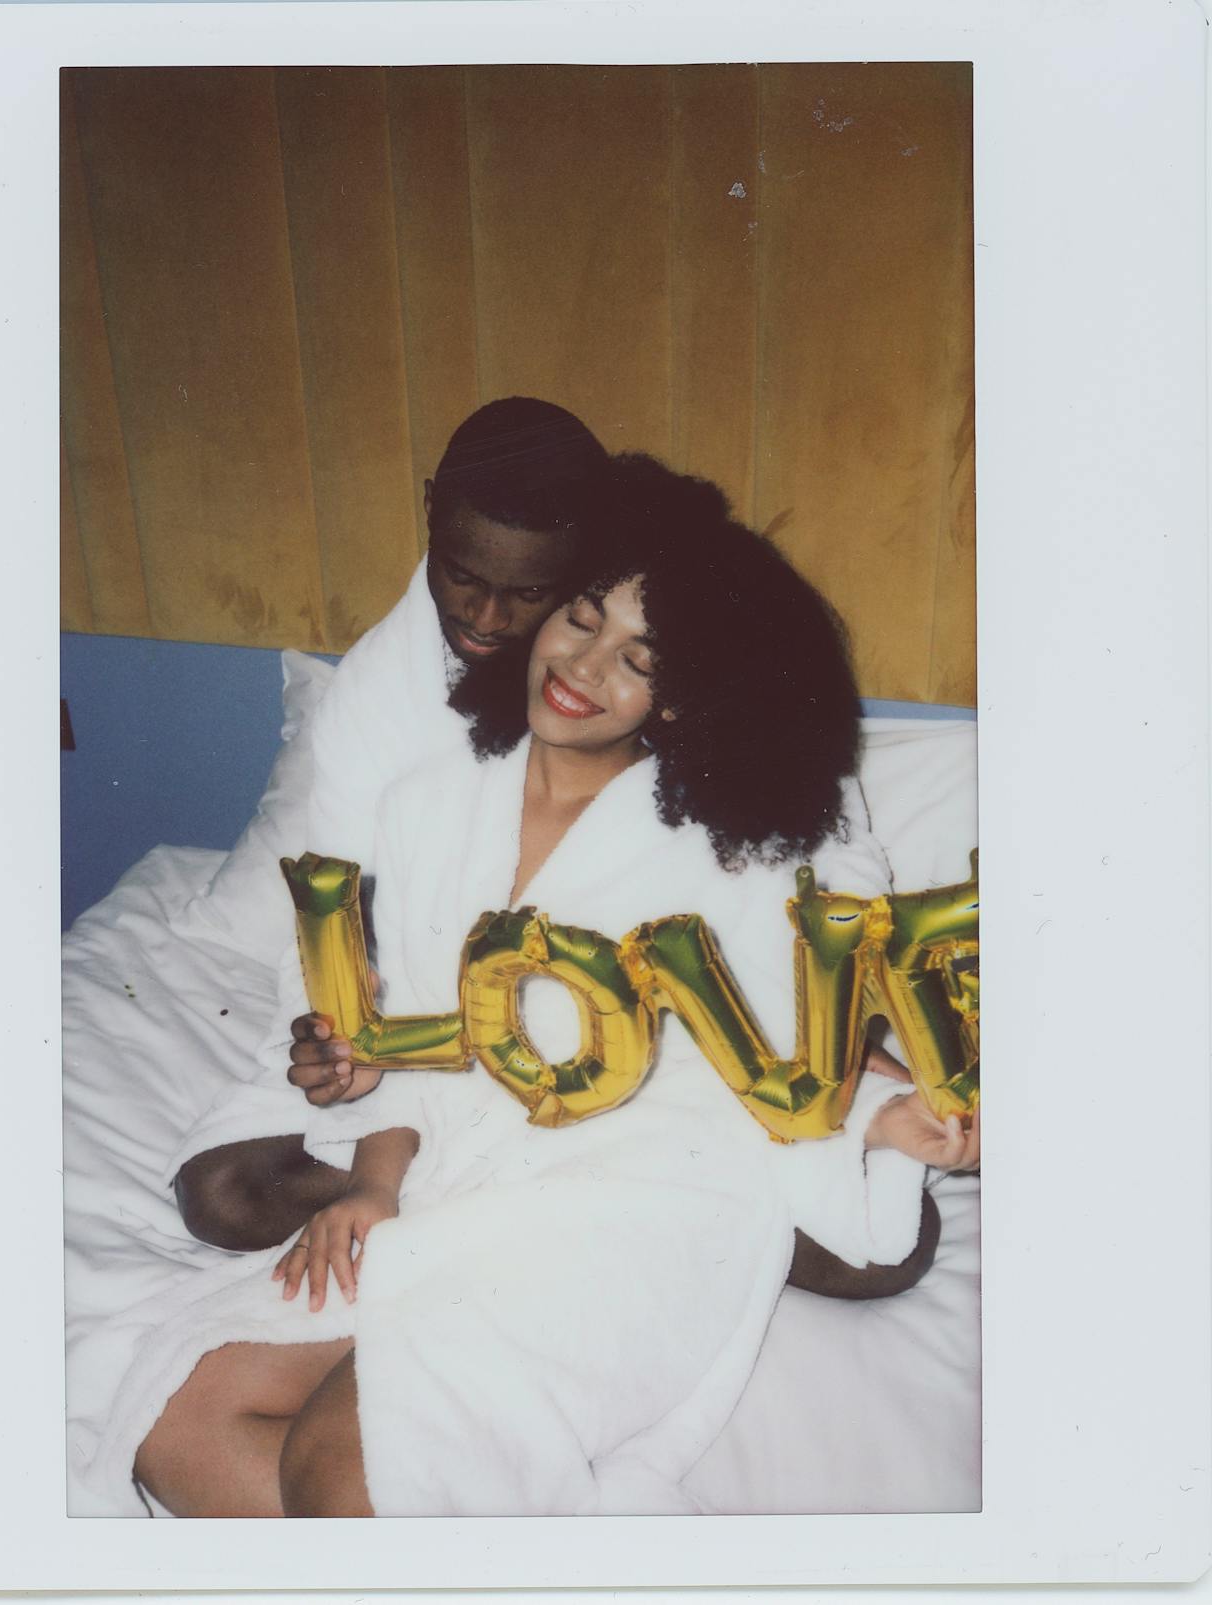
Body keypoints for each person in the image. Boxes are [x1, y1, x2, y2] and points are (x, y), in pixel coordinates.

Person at [98, 454, 978, 1518]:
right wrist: (374, 1185)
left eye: (637, 659)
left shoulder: (726, 853)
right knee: (177, 1422)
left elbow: (788, 1031)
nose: (585, 667)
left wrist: (885, 1115)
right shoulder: (430, 802)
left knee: (351, 1454)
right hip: (467, 1168)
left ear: (676, 701)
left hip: (647, 1193)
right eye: (581, 619)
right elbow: (410, 1032)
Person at [172, 408, 939, 1298]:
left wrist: (849, 1029)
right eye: (462, 577)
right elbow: (336, 919)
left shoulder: (643, 676)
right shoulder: (382, 704)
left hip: (612, 1057)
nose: (487, 617)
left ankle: (532, 1200)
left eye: (532, 595)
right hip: (425, 1033)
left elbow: (810, 839)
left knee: (881, 1247)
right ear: (431, 519)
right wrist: (338, 1034)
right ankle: (506, 1203)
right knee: (224, 1193)